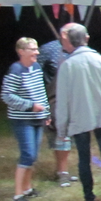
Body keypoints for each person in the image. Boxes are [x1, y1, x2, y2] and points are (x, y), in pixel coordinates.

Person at [55, 23, 101, 201]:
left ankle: (89, 197)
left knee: (83, 158)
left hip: (80, 117)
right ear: (86, 39)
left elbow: (62, 100)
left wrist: (62, 128)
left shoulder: (67, 66)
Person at [0, 37, 50, 201]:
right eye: (32, 49)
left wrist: (46, 113)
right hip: (22, 119)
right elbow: (7, 96)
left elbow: (41, 92)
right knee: (27, 155)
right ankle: (17, 196)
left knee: (33, 155)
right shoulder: (15, 70)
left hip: (37, 118)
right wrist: (30, 106)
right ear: (21, 51)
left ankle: (27, 189)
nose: (36, 52)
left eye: (36, 49)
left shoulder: (36, 68)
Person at [37, 36, 76, 187]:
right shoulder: (48, 49)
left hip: (73, 98)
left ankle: (63, 170)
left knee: (69, 137)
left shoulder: (77, 50)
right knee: (61, 135)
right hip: (55, 98)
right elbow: (36, 73)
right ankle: (62, 173)